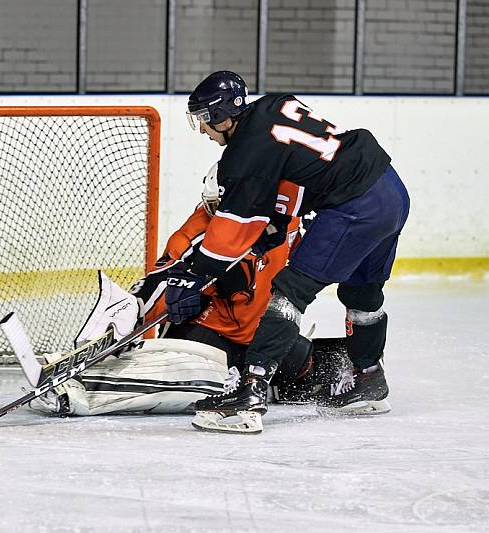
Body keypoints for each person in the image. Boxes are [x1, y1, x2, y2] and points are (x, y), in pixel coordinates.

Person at [168, 71, 410, 433]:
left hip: (354, 204)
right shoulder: (274, 105)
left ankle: (251, 392)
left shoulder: (243, 153)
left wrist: (195, 275)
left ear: (222, 116)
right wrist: (279, 221)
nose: (203, 130)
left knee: (288, 292)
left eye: (205, 119)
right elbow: (303, 168)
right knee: (362, 292)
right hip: (390, 190)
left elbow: (228, 234)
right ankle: (368, 380)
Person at [29, 166, 348, 419]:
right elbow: (158, 281)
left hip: (261, 337)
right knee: (187, 378)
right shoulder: (197, 232)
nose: (215, 215)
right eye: (211, 207)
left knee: (304, 362)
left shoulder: (284, 221)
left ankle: (273, 383)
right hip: (209, 333)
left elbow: (325, 252)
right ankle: (83, 390)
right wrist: (134, 313)